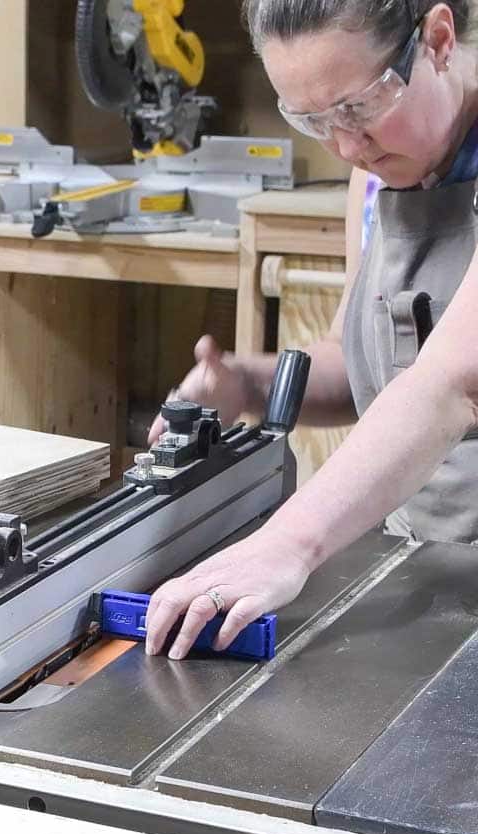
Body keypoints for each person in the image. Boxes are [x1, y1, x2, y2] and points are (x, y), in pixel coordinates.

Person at [144, 0, 478, 659]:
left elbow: (453, 381)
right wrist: (250, 383)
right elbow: (366, 373)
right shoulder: (374, 180)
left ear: (438, 40)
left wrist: (286, 544)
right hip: (428, 584)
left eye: (358, 107)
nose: (347, 145)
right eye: (313, 119)